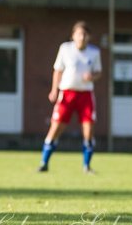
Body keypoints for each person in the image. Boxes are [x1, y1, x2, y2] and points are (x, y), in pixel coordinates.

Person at [38, 21, 103, 173]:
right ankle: (44, 162)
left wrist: (92, 77)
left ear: (89, 37)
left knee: (88, 130)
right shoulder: (65, 49)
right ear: (73, 35)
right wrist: (54, 89)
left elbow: (99, 72)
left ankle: (86, 166)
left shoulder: (94, 53)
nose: (81, 37)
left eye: (84, 34)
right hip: (67, 93)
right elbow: (58, 70)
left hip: (85, 95)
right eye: (79, 34)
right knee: (56, 128)